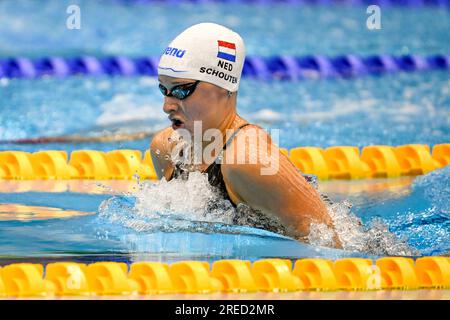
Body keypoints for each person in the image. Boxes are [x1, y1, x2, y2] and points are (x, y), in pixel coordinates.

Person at [150, 22, 341, 247]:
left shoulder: (248, 159)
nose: (167, 106)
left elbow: (330, 245)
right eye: (164, 89)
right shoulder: (167, 148)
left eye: (182, 90)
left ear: (223, 88)